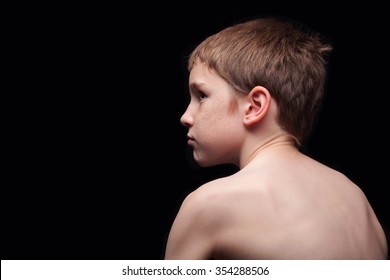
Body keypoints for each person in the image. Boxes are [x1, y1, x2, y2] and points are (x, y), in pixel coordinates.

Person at [164, 15, 388, 260]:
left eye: (201, 95)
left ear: (254, 106)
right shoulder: (355, 199)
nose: (186, 116)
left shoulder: (208, 204)